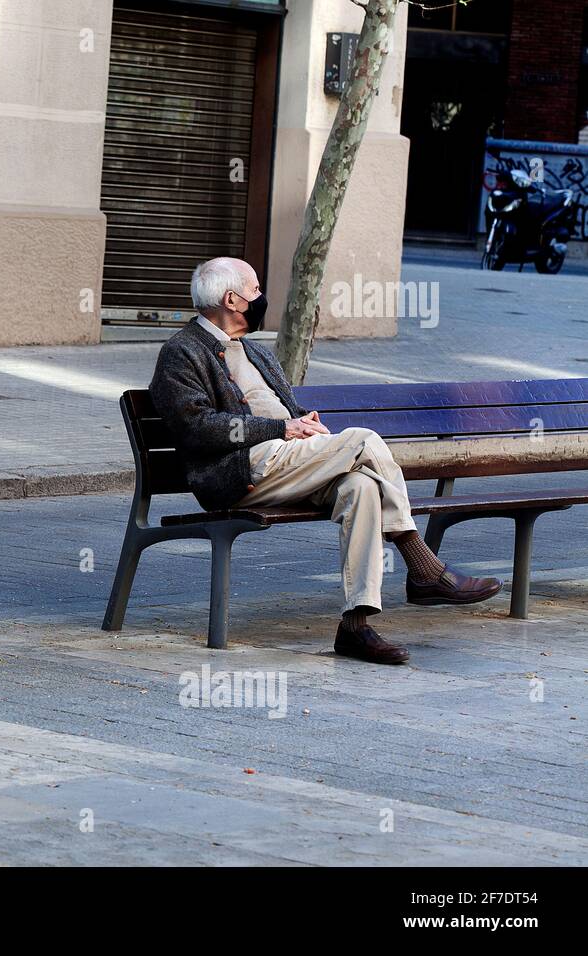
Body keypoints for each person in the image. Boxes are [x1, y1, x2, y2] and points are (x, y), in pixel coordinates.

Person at [150, 257, 502, 665]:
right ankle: (423, 567)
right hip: (242, 474)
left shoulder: (256, 352)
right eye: (256, 290)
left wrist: (300, 422)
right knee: (363, 440)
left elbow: (283, 411)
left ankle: (356, 625)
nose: (262, 297)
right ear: (233, 300)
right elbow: (198, 427)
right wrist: (281, 429)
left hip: (286, 462)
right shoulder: (182, 352)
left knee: (362, 487)